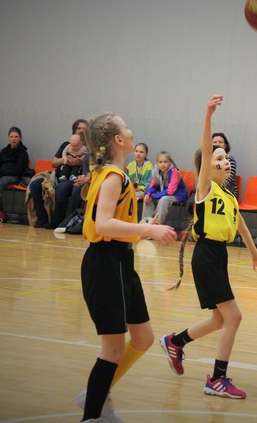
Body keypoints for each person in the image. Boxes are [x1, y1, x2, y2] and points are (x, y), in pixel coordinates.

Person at [159, 95, 257, 399]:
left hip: (219, 255)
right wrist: (208, 115)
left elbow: (241, 225)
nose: (222, 161)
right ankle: (217, 380)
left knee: (220, 319)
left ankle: (175, 342)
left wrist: (255, 254)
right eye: (217, 159)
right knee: (234, 317)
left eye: (225, 158)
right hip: (205, 254)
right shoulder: (205, 188)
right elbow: (206, 150)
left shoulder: (229, 196)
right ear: (207, 166)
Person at [75, 113, 177, 422]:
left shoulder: (116, 173)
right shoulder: (113, 176)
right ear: (119, 140)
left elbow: (115, 222)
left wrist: (145, 227)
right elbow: (103, 224)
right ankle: (92, 414)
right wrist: (148, 231)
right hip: (105, 264)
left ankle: (96, 395)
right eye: (126, 127)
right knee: (113, 349)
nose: (131, 131)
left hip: (121, 261)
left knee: (143, 338)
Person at [29, 119, 88, 228]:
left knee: (62, 187)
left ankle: (58, 221)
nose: (81, 131)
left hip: (74, 178)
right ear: (74, 131)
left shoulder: (88, 148)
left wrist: (79, 161)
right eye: (79, 128)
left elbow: (91, 164)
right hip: (57, 175)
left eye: (84, 129)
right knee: (34, 185)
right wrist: (64, 160)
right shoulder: (66, 145)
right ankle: (43, 219)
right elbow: (54, 162)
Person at [141, 151, 188, 224]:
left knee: (163, 199)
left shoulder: (174, 171)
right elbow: (152, 186)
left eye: (165, 162)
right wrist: (148, 194)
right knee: (147, 199)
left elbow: (171, 191)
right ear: (157, 163)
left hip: (177, 194)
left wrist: (156, 195)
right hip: (162, 192)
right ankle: (146, 222)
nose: (163, 164)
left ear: (169, 162)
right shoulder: (155, 172)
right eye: (160, 162)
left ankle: (157, 223)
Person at [212, 132, 238, 199]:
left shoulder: (230, 160)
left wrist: (214, 189)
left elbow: (227, 180)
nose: (217, 144)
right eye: (215, 142)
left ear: (225, 145)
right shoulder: (207, 160)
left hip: (227, 190)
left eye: (220, 142)